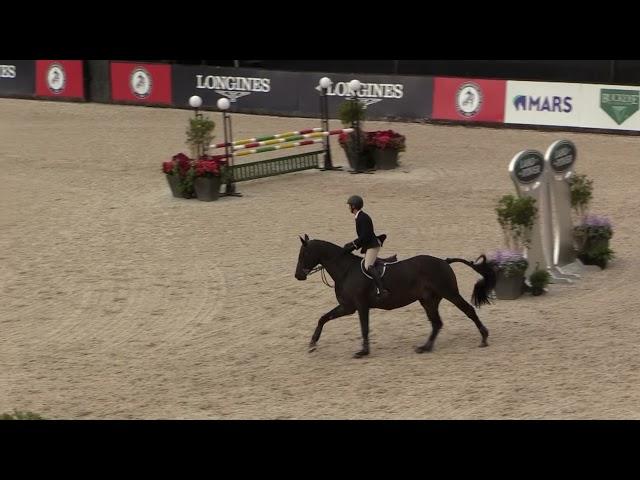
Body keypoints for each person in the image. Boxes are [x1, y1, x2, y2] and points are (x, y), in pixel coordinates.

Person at [343, 195, 390, 299]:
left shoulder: (362, 218)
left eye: (349, 205)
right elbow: (363, 236)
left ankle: (381, 290)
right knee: (366, 264)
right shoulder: (360, 217)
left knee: (368, 266)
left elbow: (365, 236)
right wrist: (352, 244)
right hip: (369, 244)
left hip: (372, 245)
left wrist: (354, 245)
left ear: (354, 206)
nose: (348, 207)